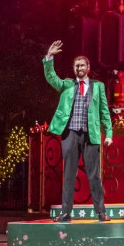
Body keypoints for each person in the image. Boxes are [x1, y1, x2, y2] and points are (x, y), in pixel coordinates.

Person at [43, 41, 113, 223]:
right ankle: (66, 213)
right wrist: (49, 57)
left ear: (88, 68)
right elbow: (51, 77)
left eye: (82, 65)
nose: (79, 68)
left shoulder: (98, 86)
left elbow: (104, 111)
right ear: (74, 68)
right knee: (69, 175)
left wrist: (109, 134)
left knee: (94, 175)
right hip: (71, 133)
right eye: (76, 65)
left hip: (91, 135)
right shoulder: (67, 85)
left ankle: (101, 212)